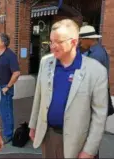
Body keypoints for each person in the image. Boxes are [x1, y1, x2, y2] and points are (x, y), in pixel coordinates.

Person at [29, 19, 108, 158]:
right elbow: (39, 96)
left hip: (78, 141)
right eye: (51, 41)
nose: (52, 46)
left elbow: (99, 115)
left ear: (74, 42)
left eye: (58, 42)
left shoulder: (96, 70)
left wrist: (90, 150)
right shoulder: (46, 62)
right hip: (49, 136)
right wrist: (33, 124)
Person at [79, 25, 114, 116]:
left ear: (89, 39)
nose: (80, 42)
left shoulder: (97, 54)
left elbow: (90, 77)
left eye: (81, 39)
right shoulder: (93, 50)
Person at [0, 33, 20, 144]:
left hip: (4, 89)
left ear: (3, 43)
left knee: (6, 114)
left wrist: (7, 87)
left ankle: (8, 135)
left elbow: (16, 73)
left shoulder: (10, 55)